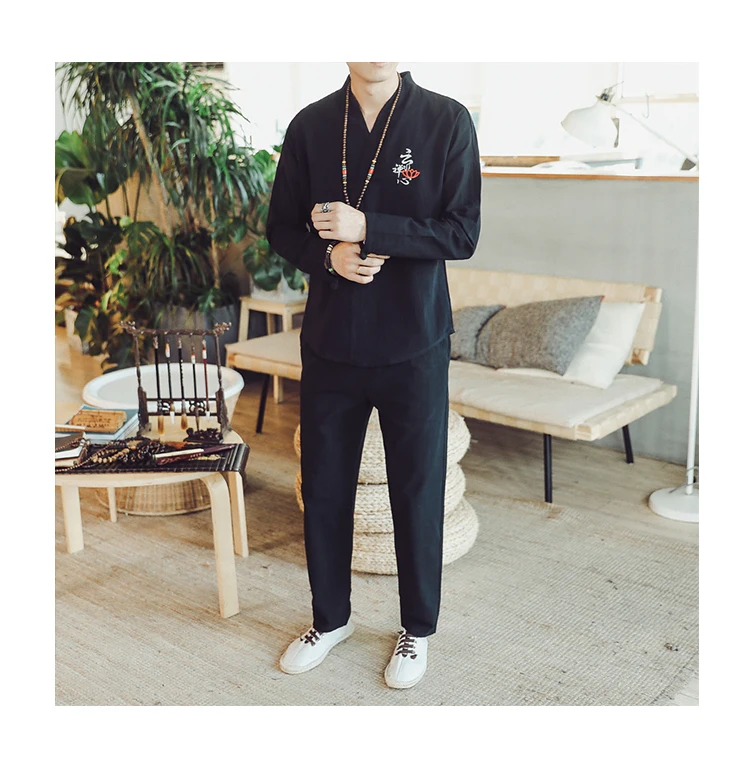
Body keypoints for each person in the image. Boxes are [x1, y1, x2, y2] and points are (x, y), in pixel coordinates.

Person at [265, 62, 481, 689]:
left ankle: (416, 628)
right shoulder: (310, 124)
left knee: (417, 489)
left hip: (415, 340)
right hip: (331, 341)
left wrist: (368, 228)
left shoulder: (446, 120)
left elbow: (462, 232)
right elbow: (281, 227)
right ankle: (329, 620)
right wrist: (327, 254)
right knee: (324, 488)